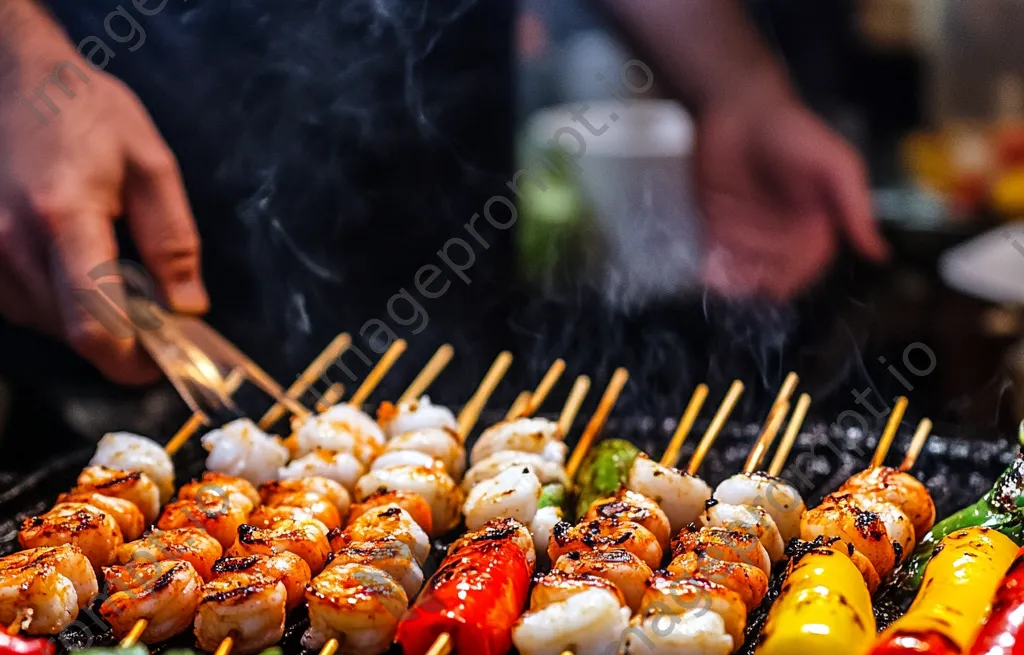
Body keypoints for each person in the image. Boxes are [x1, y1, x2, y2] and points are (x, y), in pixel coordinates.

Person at [0, 0, 886, 387]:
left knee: (454, 396)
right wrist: (18, 72)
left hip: (434, 206)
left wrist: (742, 88)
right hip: (84, 162)